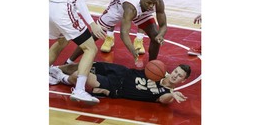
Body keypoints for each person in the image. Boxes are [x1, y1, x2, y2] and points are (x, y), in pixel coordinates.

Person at [49, 0, 126, 104]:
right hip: (65, 9)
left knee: (62, 40)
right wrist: (93, 24)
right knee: (91, 48)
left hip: (52, 6)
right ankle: (79, 90)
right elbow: (81, 3)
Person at [65, 0, 167, 67]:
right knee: (94, 35)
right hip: (117, 9)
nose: (151, 6)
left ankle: (152, 65)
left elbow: (163, 25)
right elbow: (124, 33)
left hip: (140, 11)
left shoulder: (158, 2)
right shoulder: (130, 8)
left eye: (153, 3)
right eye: (149, 3)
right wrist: (132, 49)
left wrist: (160, 35)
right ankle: (69, 61)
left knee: (155, 37)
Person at [49, 61, 191, 104]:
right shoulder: (161, 71)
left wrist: (173, 95)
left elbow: (163, 100)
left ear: (183, 80)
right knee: (85, 64)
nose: (175, 76)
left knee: (80, 75)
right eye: (176, 72)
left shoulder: (166, 94)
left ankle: (61, 78)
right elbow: (150, 66)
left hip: (116, 86)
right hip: (122, 71)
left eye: (179, 76)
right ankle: (54, 68)